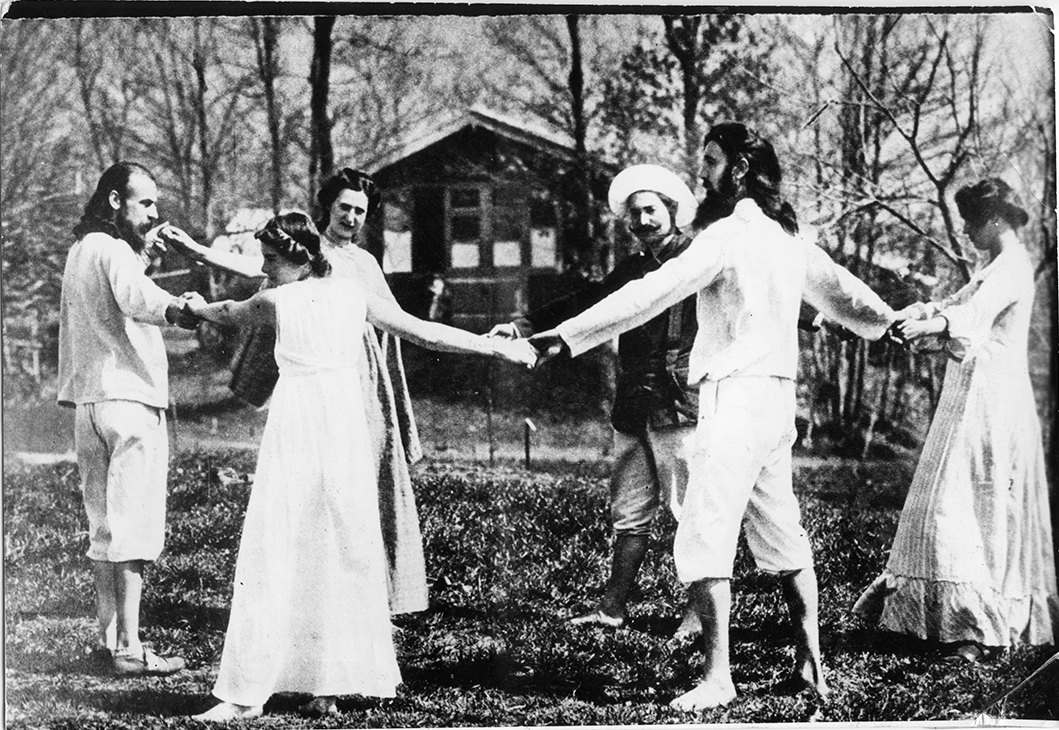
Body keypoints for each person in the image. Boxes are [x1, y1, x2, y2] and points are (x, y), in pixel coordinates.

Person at [529, 123, 896, 710]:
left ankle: (718, 678)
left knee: (704, 531)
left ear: (739, 170)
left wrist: (567, 336)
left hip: (733, 399)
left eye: (711, 162)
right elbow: (849, 296)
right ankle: (810, 665)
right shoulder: (789, 240)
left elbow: (650, 293)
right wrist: (894, 324)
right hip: (778, 404)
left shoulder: (724, 236)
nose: (703, 174)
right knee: (782, 531)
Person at [187, 213, 535, 722]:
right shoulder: (342, 295)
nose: (264, 269)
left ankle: (304, 687)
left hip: (313, 427)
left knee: (304, 544)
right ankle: (275, 691)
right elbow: (426, 333)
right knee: (318, 543)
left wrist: (192, 307)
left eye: (271, 260)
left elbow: (225, 312)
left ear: (301, 258)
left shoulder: (281, 300)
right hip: (327, 427)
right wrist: (494, 347)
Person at [161, 168, 429, 617]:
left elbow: (397, 320)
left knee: (372, 477)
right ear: (328, 207)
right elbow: (260, 269)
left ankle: (378, 596)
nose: (351, 217)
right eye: (344, 207)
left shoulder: (365, 262)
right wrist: (198, 251)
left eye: (360, 211)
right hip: (323, 378)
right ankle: (317, 597)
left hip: (366, 377)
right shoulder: (309, 250)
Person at [491, 165, 703, 636]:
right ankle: (612, 609)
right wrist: (527, 325)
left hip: (681, 403)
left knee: (690, 512)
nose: (643, 220)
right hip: (634, 403)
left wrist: (814, 319)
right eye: (635, 214)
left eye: (652, 210)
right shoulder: (631, 269)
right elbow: (588, 301)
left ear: (673, 211)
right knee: (629, 512)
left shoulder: (700, 259)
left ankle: (697, 616)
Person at [853, 178, 1058, 663]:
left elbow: (974, 315)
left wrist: (931, 325)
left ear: (995, 219)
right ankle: (945, 617)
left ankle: (975, 625)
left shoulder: (1014, 268)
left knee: (972, 500)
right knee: (951, 496)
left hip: (994, 401)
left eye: (970, 221)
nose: (965, 231)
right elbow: (955, 304)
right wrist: (913, 315)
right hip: (972, 393)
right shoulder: (992, 267)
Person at [57, 161, 201, 677]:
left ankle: (109, 640)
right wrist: (182, 308)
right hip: (130, 402)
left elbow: (113, 297)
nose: (154, 213)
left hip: (91, 404)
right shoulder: (115, 249)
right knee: (134, 528)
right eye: (146, 203)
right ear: (116, 201)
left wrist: (143, 258)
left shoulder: (82, 249)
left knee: (104, 526)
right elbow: (137, 299)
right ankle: (130, 648)